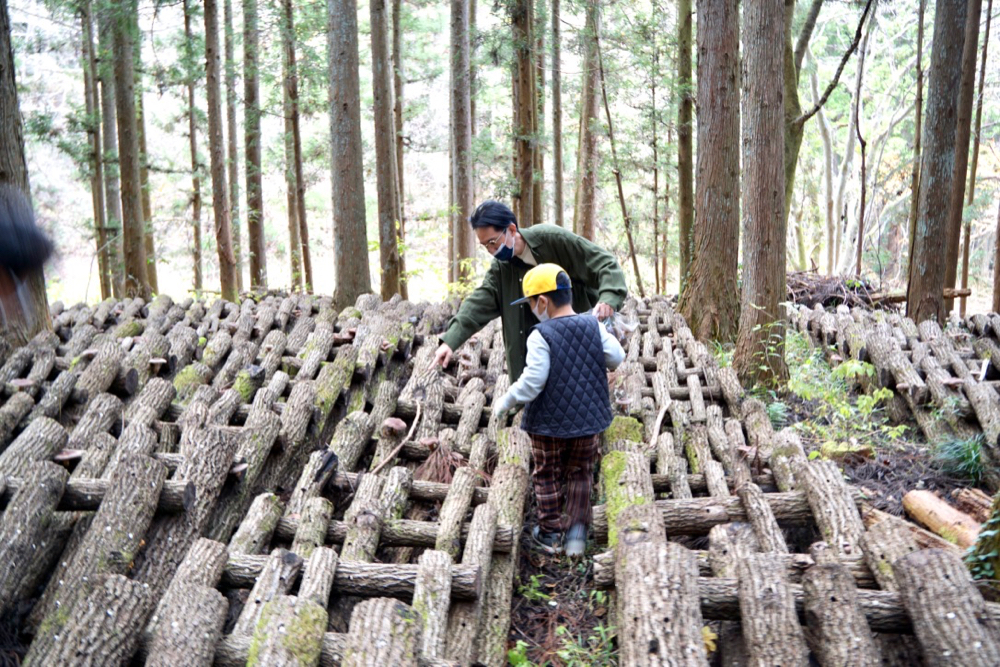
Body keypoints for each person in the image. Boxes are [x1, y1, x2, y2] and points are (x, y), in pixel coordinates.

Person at [492, 263, 625, 556]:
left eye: (529, 303)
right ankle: (577, 532)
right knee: (581, 472)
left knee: (547, 472)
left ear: (542, 301)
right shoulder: (593, 325)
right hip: (589, 418)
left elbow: (533, 381)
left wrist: (508, 399)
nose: (530, 309)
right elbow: (617, 356)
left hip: (547, 424)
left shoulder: (540, 334)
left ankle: (551, 532)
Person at [433, 200, 627, 383]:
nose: (491, 250)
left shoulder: (552, 240)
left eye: (493, 242)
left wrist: (609, 298)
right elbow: (478, 303)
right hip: (536, 361)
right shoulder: (501, 268)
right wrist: (450, 341)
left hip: (575, 343)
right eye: (485, 246)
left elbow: (604, 263)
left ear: (511, 229)